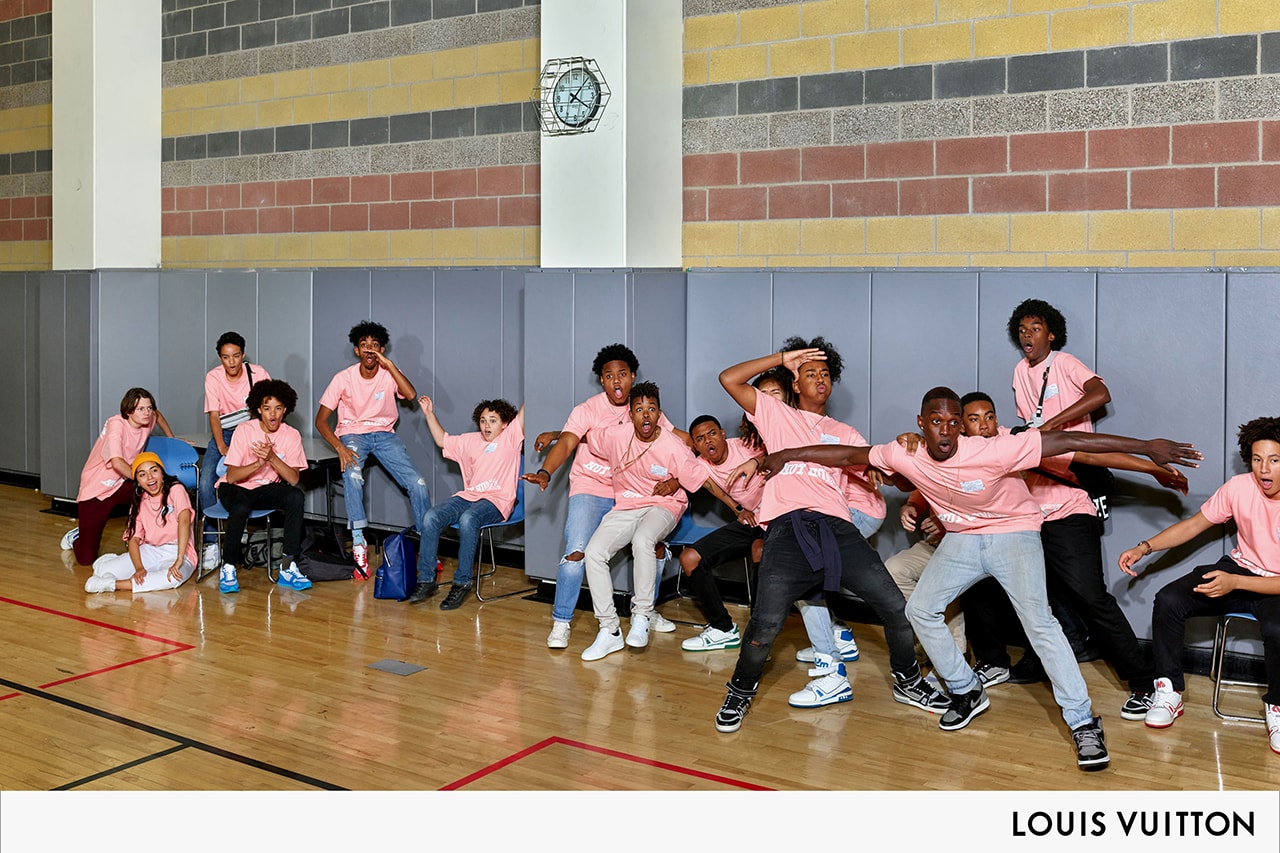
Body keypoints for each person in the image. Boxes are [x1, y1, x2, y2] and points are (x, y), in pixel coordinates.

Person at [755, 386, 1200, 770]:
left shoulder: (993, 449)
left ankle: (1083, 722)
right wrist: (787, 455)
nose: (946, 431)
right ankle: (966, 690)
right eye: (936, 422)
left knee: (1040, 624)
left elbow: (1067, 439)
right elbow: (846, 455)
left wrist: (1147, 447)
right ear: (921, 424)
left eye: (954, 422)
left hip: (1013, 533)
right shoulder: (904, 451)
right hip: (962, 539)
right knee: (921, 609)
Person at [711, 342, 948, 734]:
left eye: (825, 374)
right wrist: (783, 359)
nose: (820, 379)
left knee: (895, 607)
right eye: (810, 373)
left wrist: (909, 443)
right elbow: (728, 378)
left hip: (837, 526)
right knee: (766, 620)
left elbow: (890, 475)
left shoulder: (845, 433)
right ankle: (740, 690)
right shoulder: (777, 414)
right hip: (788, 525)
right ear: (795, 383)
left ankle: (908, 681)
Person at [959, 391, 1185, 719]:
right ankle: (1003, 662)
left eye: (989, 416)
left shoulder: (1016, 440)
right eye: (974, 419)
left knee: (1091, 598)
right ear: (962, 426)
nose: (984, 425)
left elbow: (1085, 453)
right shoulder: (962, 452)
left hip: (1066, 515)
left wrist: (1151, 467)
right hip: (1027, 527)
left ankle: (1144, 683)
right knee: (1000, 590)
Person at [1118, 416, 1280, 754]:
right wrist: (1144, 548)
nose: (1264, 469)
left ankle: (1278, 707)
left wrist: (1236, 582)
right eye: (1257, 459)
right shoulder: (1239, 487)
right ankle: (1168, 691)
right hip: (1240, 569)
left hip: (1273, 584)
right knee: (1169, 599)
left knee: (1278, 628)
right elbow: (1193, 525)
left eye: (1274, 460)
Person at [524, 344, 680, 650]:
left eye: (623, 374)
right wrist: (545, 472)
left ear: (632, 376)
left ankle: (645, 612)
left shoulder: (644, 409)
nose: (617, 381)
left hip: (633, 493)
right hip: (592, 488)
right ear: (602, 380)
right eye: (610, 376)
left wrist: (680, 477)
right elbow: (568, 442)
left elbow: (676, 443)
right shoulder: (586, 410)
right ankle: (561, 622)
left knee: (656, 547)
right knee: (577, 553)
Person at [577, 382, 706, 661]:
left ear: (659, 413)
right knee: (594, 552)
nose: (646, 415)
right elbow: (584, 436)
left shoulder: (672, 445)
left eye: (652, 409)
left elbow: (700, 468)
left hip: (664, 505)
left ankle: (642, 616)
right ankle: (609, 630)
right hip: (626, 505)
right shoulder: (616, 435)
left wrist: (676, 481)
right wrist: (556, 434)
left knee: (643, 540)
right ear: (630, 414)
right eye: (639, 409)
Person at [316, 321, 430, 578]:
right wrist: (339, 447)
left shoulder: (389, 373)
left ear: (381, 350)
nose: (369, 349)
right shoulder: (343, 378)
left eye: (375, 345)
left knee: (418, 483)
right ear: (356, 350)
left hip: (384, 435)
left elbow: (411, 395)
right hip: (353, 434)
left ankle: (426, 546)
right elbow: (321, 420)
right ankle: (359, 543)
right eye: (364, 345)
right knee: (353, 476)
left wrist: (389, 365)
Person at [408, 396, 524, 610]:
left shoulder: (511, 436)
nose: (487, 425)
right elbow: (442, 440)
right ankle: (426, 580)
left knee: (468, 519)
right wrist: (428, 413)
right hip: (469, 496)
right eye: (483, 420)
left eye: (493, 421)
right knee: (431, 516)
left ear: (505, 423)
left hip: (497, 501)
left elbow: (527, 408)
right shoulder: (471, 440)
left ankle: (462, 583)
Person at [216, 379, 311, 593]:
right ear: (259, 409)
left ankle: (288, 567)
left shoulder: (291, 435)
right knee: (240, 507)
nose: (273, 414)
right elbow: (231, 476)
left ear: (285, 409)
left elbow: (294, 479)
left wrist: (272, 458)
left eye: (278, 408)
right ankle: (228, 567)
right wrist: (258, 463)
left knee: (296, 496)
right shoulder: (244, 430)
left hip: (264, 489)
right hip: (235, 487)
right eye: (267, 408)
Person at [61, 387, 174, 566]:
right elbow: (117, 463)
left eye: (149, 408)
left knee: (156, 492)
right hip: (98, 488)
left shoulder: (148, 418)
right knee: (86, 559)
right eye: (140, 409)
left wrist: (173, 440)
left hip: (124, 482)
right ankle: (77, 536)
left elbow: (158, 415)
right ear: (128, 411)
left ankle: (147, 540)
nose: (147, 413)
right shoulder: (116, 425)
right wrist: (145, 480)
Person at [200, 331, 271, 566]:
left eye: (236, 356)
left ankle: (239, 528)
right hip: (224, 432)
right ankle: (211, 543)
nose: (231, 362)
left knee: (246, 479)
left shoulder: (258, 373)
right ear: (219, 357)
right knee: (206, 481)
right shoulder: (213, 377)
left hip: (251, 431)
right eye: (225, 357)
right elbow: (213, 415)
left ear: (243, 354)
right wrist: (222, 445)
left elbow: (269, 407)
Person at [84, 452, 197, 594]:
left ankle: (112, 584)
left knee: (173, 578)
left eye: (154, 470)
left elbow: (184, 521)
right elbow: (134, 539)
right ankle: (110, 563)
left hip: (180, 551)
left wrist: (179, 559)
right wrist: (139, 568)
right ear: (137, 481)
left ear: (162, 473)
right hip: (151, 550)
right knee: (102, 570)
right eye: (142, 474)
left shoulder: (176, 489)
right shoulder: (139, 501)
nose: (150, 477)